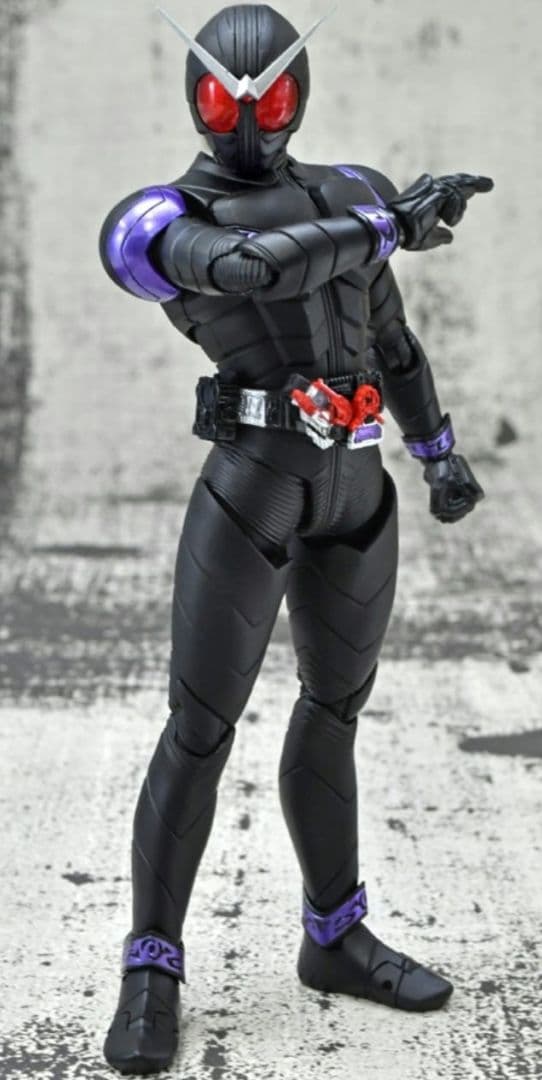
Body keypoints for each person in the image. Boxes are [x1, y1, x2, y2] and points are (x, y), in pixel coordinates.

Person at [99, 4, 492, 1073]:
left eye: (268, 100)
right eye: (223, 100)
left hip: (357, 488)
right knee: (199, 729)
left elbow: (391, 339)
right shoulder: (150, 219)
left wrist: (438, 450)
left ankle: (334, 936)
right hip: (253, 490)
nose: (244, 121)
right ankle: (151, 967)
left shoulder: (355, 191)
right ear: (191, 98)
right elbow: (249, 269)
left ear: (298, 95)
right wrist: (388, 226)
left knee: (334, 712)